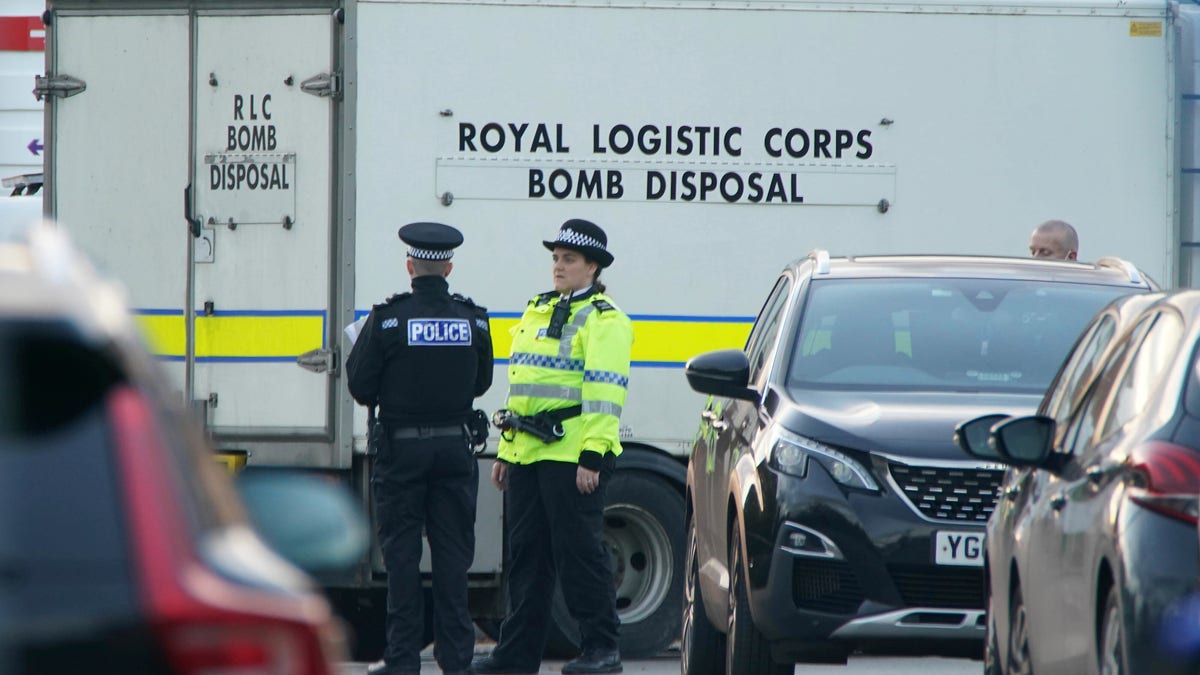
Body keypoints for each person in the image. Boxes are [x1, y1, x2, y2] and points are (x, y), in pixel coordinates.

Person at [472, 219, 634, 675]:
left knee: (580, 555)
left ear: (593, 267)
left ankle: (603, 649)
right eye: (556, 259)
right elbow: (523, 384)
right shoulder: (539, 308)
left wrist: (593, 455)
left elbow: (606, 392)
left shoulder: (606, 319)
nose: (558, 267)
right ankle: (516, 656)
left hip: (571, 456)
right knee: (527, 559)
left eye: (569, 260)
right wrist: (506, 448)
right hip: (528, 453)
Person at [346, 221, 494, 675]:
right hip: (454, 451)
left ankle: (403, 660)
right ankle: (456, 660)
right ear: (449, 267)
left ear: (410, 266)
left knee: (402, 560)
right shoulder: (473, 319)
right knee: (453, 561)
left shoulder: (387, 319)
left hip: (400, 455)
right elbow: (482, 383)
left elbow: (360, 385)